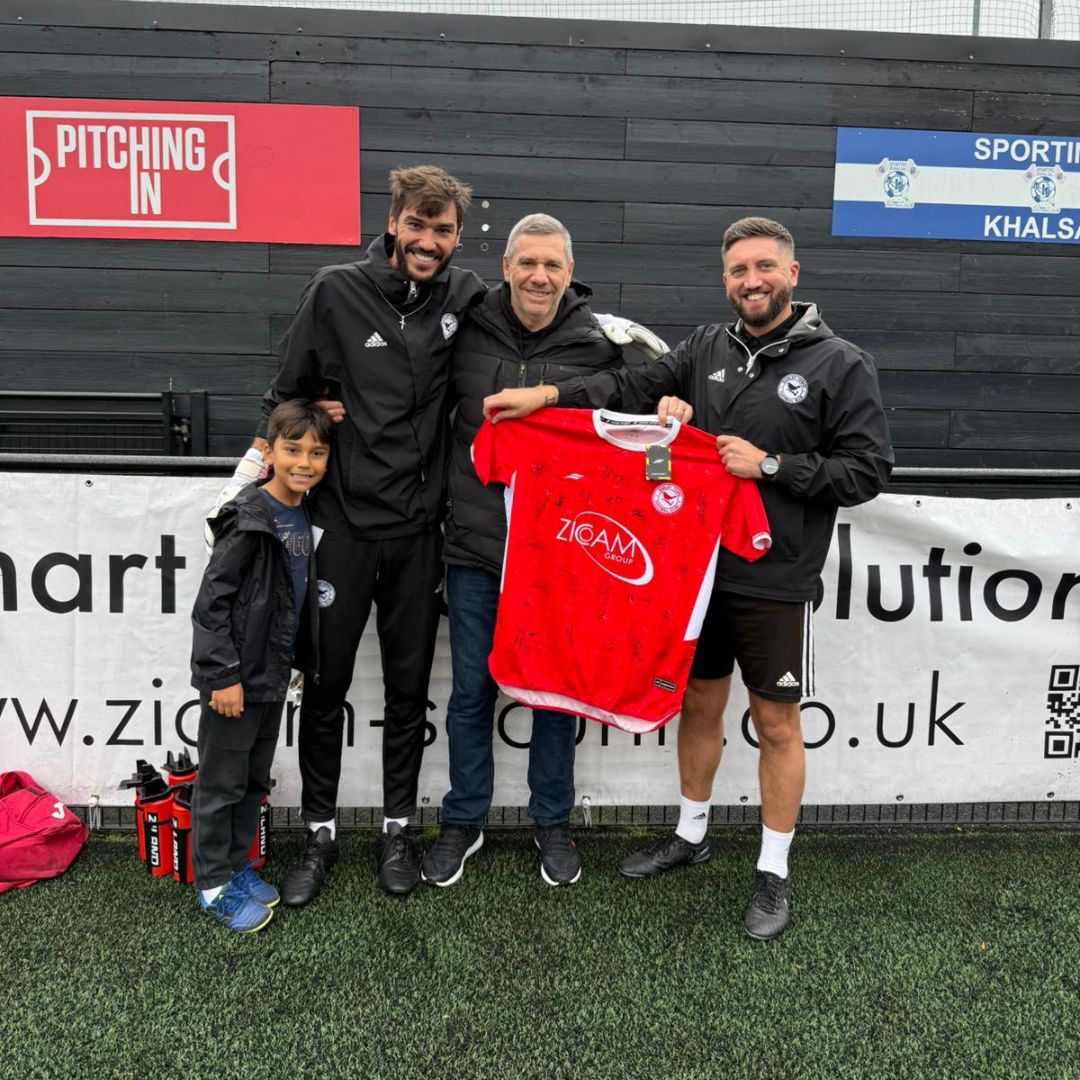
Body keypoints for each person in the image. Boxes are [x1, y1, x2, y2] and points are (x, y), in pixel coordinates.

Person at [483, 216, 893, 938]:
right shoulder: (705, 347)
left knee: (775, 723)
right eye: (738, 271)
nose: (751, 281)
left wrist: (768, 467)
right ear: (726, 280)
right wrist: (545, 400)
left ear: (791, 275)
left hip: (775, 577)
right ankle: (692, 834)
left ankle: (773, 871)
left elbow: (866, 472)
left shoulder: (839, 363)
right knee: (699, 709)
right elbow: (628, 383)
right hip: (691, 577)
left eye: (764, 267)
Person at [245, 166, 485, 903]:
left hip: (419, 535)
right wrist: (316, 415)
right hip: (341, 528)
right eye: (418, 225)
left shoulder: (468, 296)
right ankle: (318, 833)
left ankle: (397, 830)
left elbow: (541, 332)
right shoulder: (334, 290)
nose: (429, 241)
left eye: (442, 230)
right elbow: (285, 397)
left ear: (456, 237)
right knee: (326, 685)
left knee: (410, 689)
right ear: (392, 222)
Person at [420, 213, 625, 889]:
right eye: (527, 263)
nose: (540, 276)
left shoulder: (595, 340)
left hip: (559, 559)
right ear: (506, 267)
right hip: (476, 550)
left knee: (553, 698)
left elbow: (628, 396)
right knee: (472, 692)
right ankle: (463, 819)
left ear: (570, 273)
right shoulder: (466, 326)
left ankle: (551, 822)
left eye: (553, 266)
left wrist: (551, 394)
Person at [190, 400, 331, 932]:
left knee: (251, 781)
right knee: (220, 783)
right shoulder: (248, 516)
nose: (305, 462)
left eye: (316, 453)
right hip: (236, 681)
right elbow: (212, 605)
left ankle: (236, 866)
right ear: (268, 453)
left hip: (272, 679)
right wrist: (221, 676)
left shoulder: (305, 514)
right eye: (293, 450)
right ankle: (212, 886)